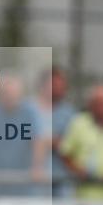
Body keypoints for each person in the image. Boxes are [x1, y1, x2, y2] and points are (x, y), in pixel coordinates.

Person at [34, 67, 77, 197]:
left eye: (61, 85)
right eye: (54, 85)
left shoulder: (70, 114)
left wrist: (49, 141)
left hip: (62, 179)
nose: (59, 89)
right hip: (36, 179)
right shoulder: (31, 110)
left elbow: (74, 144)